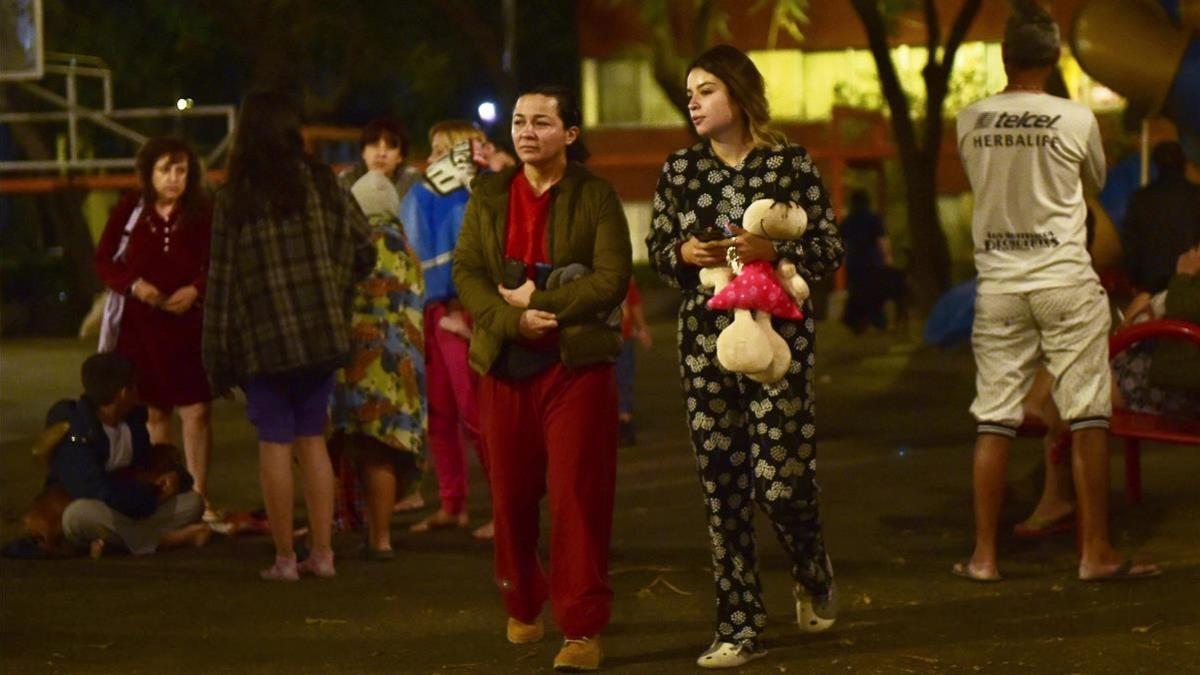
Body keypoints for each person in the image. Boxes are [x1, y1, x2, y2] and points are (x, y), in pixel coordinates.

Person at [646, 45, 845, 668]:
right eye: (690, 93)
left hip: (782, 342)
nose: (694, 101)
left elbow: (830, 246)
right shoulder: (680, 170)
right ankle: (739, 623)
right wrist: (683, 256)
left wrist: (770, 245)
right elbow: (656, 251)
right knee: (723, 486)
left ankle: (811, 565)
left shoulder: (789, 163)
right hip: (705, 345)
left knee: (782, 481)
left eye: (705, 89)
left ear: (738, 92)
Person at [953, 6, 1159, 582]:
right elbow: (1089, 184)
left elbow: (983, 181)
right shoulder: (1075, 120)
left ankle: (983, 558)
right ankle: (1095, 553)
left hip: (999, 286)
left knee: (993, 419)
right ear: (1054, 59)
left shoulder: (971, 119)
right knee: (1088, 414)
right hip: (1066, 279)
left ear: (1004, 56)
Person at [453, 85, 631, 673]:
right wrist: (512, 318)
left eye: (543, 122)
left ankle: (581, 627)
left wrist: (544, 301)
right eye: (520, 122)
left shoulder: (596, 195)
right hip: (503, 362)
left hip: (574, 366)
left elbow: (611, 278)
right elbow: (468, 270)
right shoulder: (489, 192)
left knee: (578, 495)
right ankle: (523, 600)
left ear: (570, 134)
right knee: (509, 495)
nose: (527, 132)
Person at [203, 91, 375, 582]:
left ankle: (284, 560)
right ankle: (323, 555)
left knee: (275, 443)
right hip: (322, 336)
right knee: (312, 439)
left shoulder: (235, 196)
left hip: (264, 341)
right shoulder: (325, 183)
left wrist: (215, 355)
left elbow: (221, 281)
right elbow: (365, 248)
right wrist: (331, 287)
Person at [93, 137, 216, 519]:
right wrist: (136, 286)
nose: (174, 179)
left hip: (190, 326)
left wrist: (196, 289)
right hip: (142, 328)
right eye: (165, 170)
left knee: (196, 412)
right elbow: (104, 260)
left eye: (181, 170)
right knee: (155, 413)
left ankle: (198, 496)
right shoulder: (130, 209)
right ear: (149, 173)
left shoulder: (202, 211)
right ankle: (169, 493)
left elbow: (218, 262)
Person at [399, 120, 493, 539]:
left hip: (463, 310)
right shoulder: (430, 194)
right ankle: (452, 505)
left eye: (442, 149)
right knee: (438, 415)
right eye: (432, 148)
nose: (432, 157)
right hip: (432, 311)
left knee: (476, 415)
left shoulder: (475, 194)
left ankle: (504, 511)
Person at [327, 170, 426, 559]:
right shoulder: (406, 247)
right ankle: (380, 537)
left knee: (352, 446)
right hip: (402, 365)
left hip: (357, 360)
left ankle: (352, 533)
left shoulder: (354, 242)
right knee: (385, 450)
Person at [49, 353, 209, 557]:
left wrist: (174, 479)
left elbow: (149, 463)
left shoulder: (131, 421)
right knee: (77, 515)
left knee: (194, 503)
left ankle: (117, 541)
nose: (140, 393)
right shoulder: (78, 430)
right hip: (105, 507)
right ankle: (166, 540)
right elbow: (93, 489)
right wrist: (151, 498)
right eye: (136, 386)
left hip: (131, 508)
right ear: (124, 392)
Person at [1122, 141, 1200, 295]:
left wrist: (1135, 278)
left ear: (1156, 165)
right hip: (1192, 286)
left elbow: (1131, 246)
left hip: (1151, 287)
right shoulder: (1196, 196)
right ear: (1183, 164)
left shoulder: (1140, 199)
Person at [840, 189, 895, 332]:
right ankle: (878, 322)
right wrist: (887, 257)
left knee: (856, 292)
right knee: (875, 293)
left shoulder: (848, 220)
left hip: (854, 262)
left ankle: (856, 322)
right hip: (872, 262)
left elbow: (842, 242)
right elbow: (881, 240)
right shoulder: (873, 218)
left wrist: (844, 259)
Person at [338, 116, 422, 205]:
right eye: (374, 145)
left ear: (400, 157)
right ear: (363, 153)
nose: (381, 153)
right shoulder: (347, 181)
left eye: (390, 147)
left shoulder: (412, 182)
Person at [617, 279, 652, 446]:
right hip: (604, 337)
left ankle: (624, 420)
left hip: (623, 336)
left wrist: (642, 327)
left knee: (624, 378)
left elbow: (633, 300)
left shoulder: (624, 276)